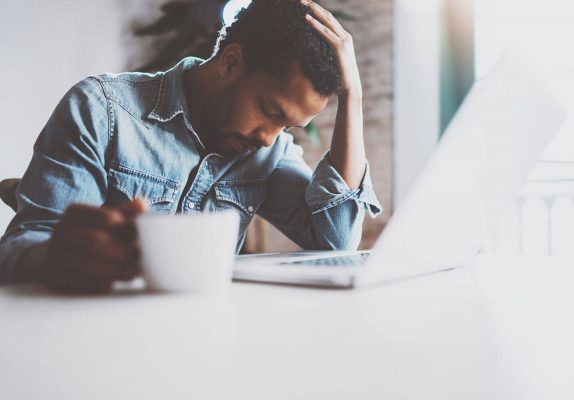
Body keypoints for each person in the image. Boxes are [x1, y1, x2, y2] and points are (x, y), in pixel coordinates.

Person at [0, 0, 381, 292]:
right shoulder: (101, 111)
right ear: (231, 62)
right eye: (268, 110)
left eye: (288, 126)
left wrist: (353, 96)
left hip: (202, 344)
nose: (268, 138)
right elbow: (18, 248)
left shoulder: (268, 152)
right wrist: (54, 255)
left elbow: (336, 245)